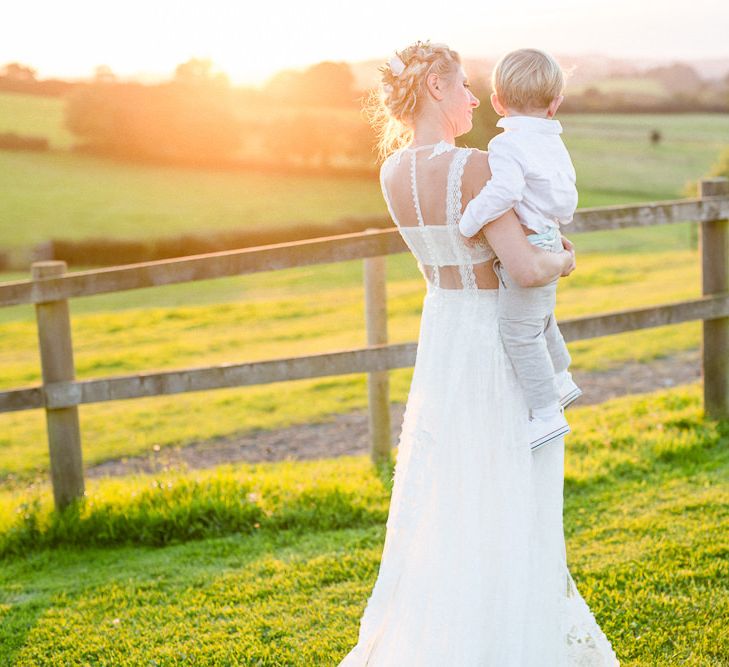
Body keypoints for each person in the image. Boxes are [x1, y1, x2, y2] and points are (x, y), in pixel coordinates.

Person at [338, 41, 619, 665]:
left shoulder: (389, 173)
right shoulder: (474, 168)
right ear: (436, 90)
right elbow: (523, 267)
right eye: (462, 84)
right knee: (512, 489)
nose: (472, 97)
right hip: (495, 343)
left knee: (454, 489)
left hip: (443, 337)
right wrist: (567, 260)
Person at [459, 48, 582, 451]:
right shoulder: (554, 142)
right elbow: (566, 199)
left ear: (496, 101)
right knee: (540, 318)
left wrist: (471, 218)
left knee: (519, 333)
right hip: (549, 235)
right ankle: (561, 378)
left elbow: (505, 191)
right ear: (555, 103)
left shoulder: (506, 145)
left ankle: (547, 414)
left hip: (529, 242)